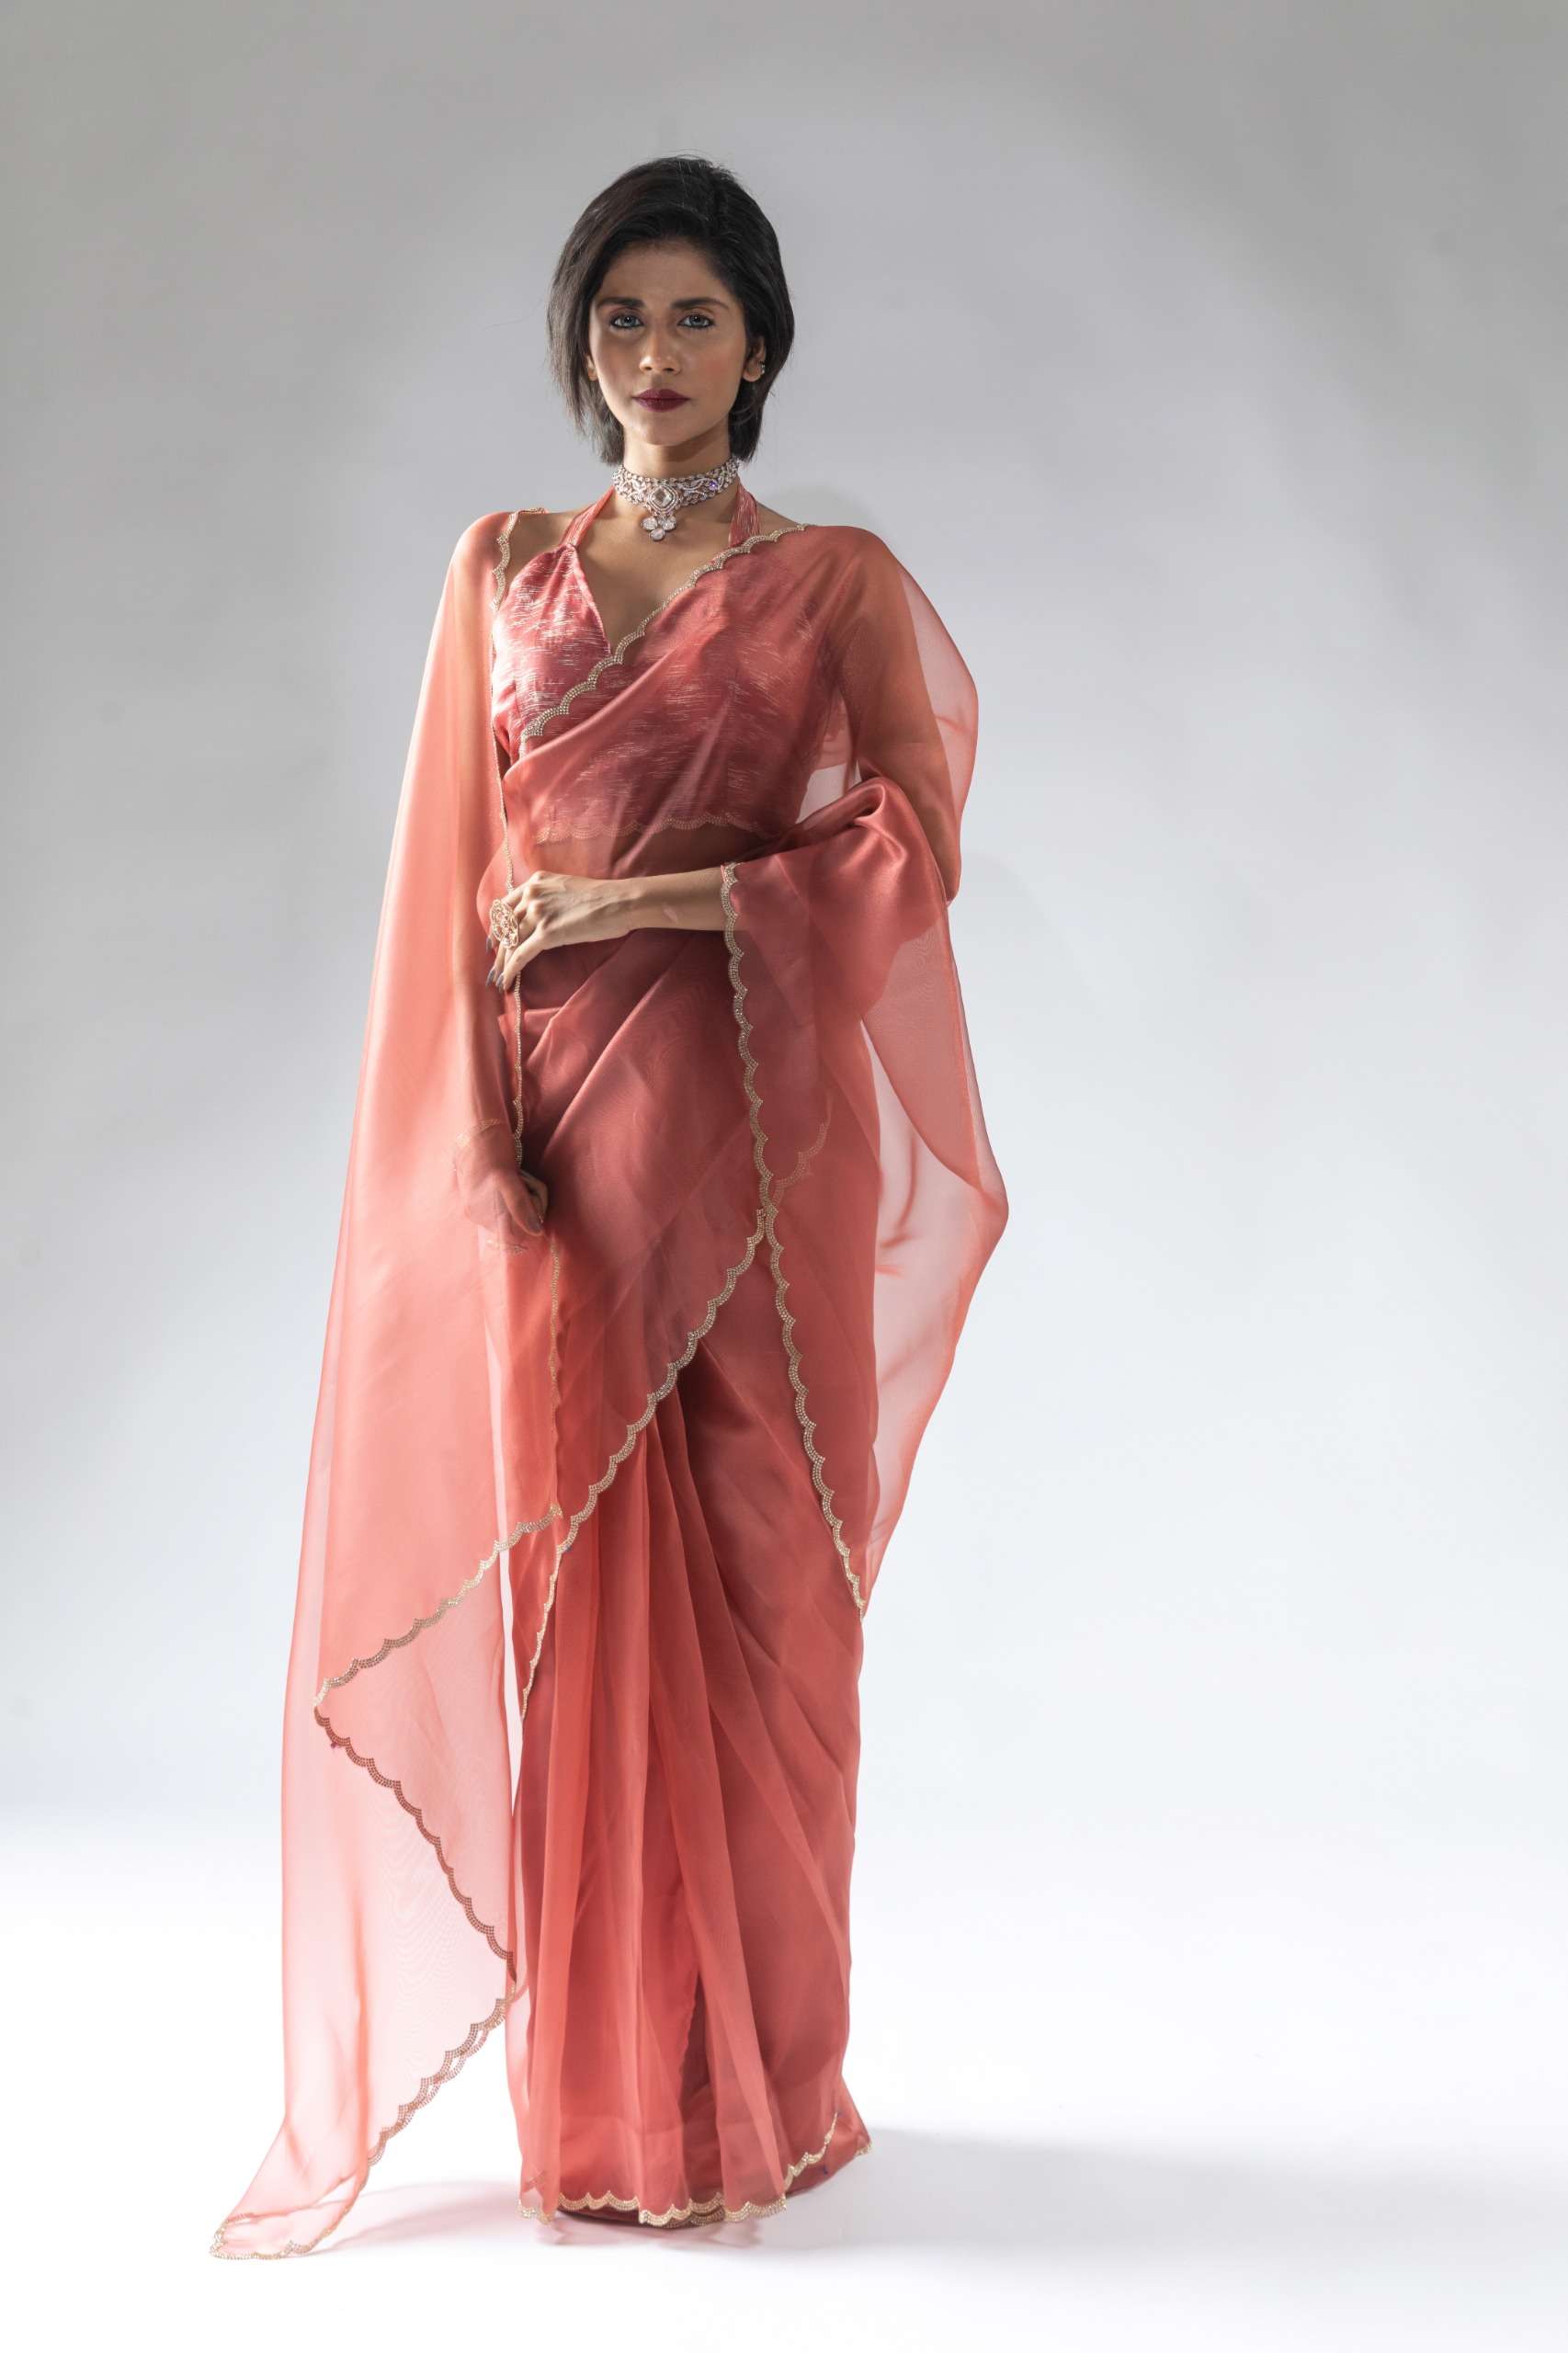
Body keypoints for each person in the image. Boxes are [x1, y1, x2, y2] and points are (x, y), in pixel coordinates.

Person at [210, 153, 1008, 2258]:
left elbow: (907, 847)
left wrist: (664, 899)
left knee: (766, 1606)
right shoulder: (501, 570)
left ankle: (768, 2088)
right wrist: (473, 1128)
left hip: (758, 1151)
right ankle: (607, 2100)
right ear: (580, 340)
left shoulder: (832, 582)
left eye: (695, 317)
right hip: (563, 1152)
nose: (654, 353)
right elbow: (450, 892)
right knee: (579, 1609)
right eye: (621, 315)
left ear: (760, 347)